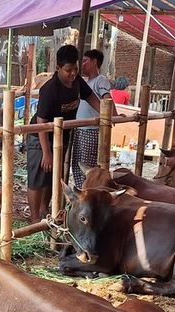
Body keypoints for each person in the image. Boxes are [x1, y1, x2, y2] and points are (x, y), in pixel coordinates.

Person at [26, 44, 101, 223]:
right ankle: (35, 219)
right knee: (38, 178)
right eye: (68, 70)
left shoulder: (77, 82)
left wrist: (109, 115)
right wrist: (46, 152)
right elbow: (41, 122)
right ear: (58, 68)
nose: (73, 73)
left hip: (62, 137)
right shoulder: (50, 89)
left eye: (75, 69)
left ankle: (46, 210)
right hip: (40, 138)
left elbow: (91, 97)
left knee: (54, 176)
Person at [72, 49, 112, 187]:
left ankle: (90, 191)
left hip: (91, 130)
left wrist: (114, 115)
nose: (82, 65)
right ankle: (81, 190)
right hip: (80, 129)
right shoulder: (84, 82)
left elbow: (107, 100)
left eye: (85, 61)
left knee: (88, 166)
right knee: (77, 163)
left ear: (95, 62)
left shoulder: (100, 80)